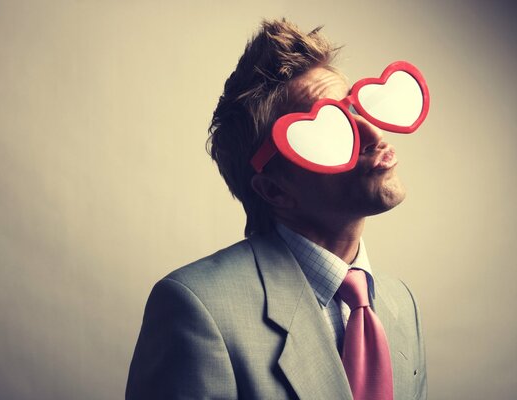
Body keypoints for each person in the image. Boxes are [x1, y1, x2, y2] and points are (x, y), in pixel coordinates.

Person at [126, 19, 427, 400]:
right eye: (327, 129)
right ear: (274, 189)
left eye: (356, 107)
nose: (372, 135)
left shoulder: (400, 302)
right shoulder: (197, 310)